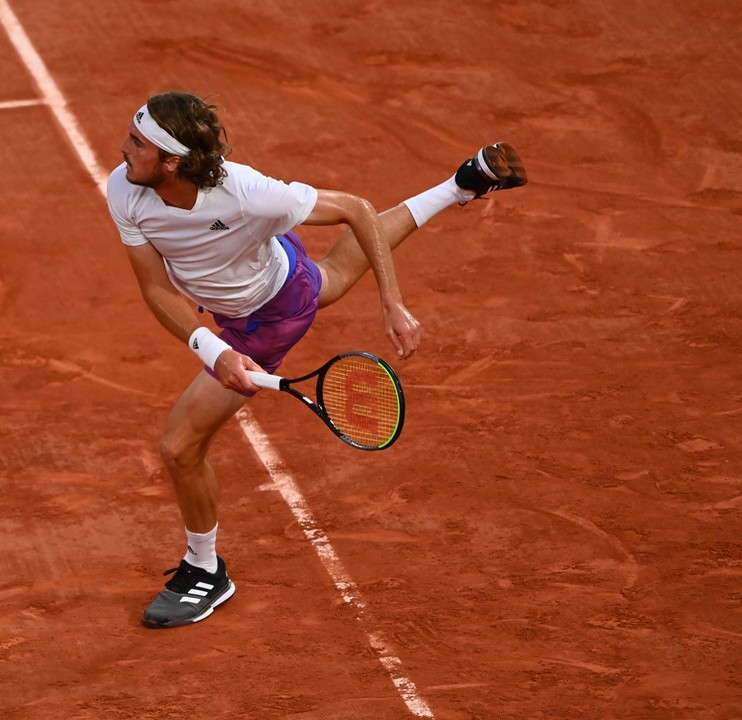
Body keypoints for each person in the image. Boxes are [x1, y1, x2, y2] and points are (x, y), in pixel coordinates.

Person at [107, 91, 527, 629]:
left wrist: (392, 302)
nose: (123, 149)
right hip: (279, 269)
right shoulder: (125, 188)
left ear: (172, 162)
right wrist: (214, 349)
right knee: (330, 277)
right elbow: (156, 288)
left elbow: (355, 208)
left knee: (180, 447)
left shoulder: (250, 194)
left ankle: (205, 571)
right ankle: (460, 185)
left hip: (269, 316)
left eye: (137, 143)